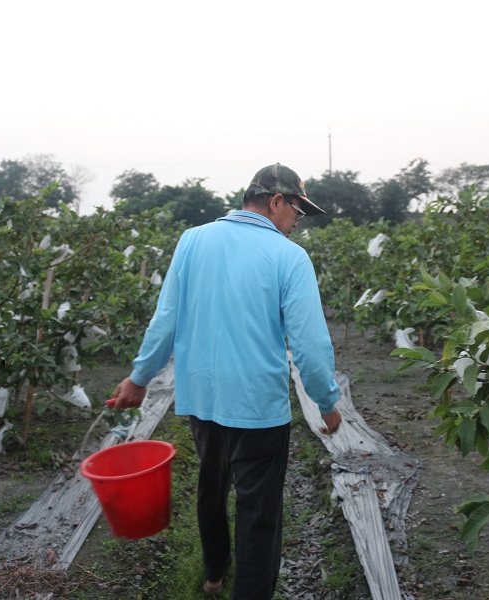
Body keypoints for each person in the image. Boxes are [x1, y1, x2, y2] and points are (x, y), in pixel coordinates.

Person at [110, 163, 342, 598]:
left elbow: (167, 319)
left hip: (201, 397)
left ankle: (215, 574)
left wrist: (139, 377)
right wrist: (326, 401)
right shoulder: (288, 257)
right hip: (257, 406)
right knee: (258, 513)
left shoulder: (193, 240)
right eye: (298, 211)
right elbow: (310, 345)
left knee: (212, 486)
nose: (298, 222)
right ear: (276, 202)